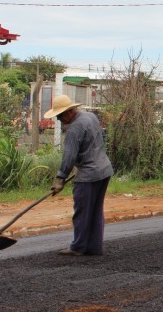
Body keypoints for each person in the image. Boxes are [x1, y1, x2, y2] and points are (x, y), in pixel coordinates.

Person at [45, 94, 114, 256]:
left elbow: (69, 157)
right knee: (96, 210)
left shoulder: (74, 129)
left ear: (69, 112)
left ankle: (78, 247)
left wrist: (60, 179)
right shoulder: (90, 117)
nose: (59, 120)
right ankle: (94, 247)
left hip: (89, 174)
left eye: (60, 116)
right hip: (104, 169)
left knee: (82, 211)